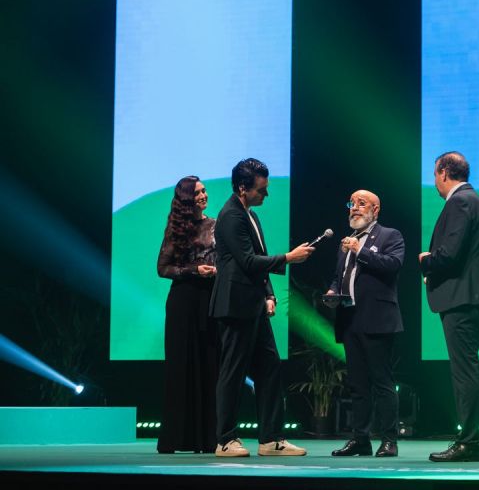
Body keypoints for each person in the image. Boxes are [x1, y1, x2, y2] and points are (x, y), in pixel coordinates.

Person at [210, 158, 314, 457]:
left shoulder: (250, 215)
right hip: (234, 305)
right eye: (261, 189)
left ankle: (271, 439)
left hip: (253, 303)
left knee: (269, 369)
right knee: (232, 373)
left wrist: (268, 293)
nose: (266, 194)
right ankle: (225, 439)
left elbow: (259, 260)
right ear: (242, 188)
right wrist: (289, 258)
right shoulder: (231, 215)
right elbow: (246, 261)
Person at [418, 152, 479, 462]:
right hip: (470, 298)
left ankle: (468, 443)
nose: (434, 181)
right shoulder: (475, 201)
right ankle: (468, 440)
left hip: (463, 299)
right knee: (466, 370)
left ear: (445, 172)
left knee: (464, 372)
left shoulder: (460, 202)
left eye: (435, 174)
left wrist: (426, 262)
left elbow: (450, 254)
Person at [326, 190, 405, 458]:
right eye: (351, 203)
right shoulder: (345, 242)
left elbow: (393, 265)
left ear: (376, 210)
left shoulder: (390, 236)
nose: (355, 208)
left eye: (362, 204)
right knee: (357, 384)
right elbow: (340, 276)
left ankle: (389, 440)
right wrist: (332, 291)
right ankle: (360, 439)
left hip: (377, 319)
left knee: (382, 382)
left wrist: (361, 251)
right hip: (350, 319)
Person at [156, 176, 218, 454]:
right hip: (183, 301)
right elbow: (162, 268)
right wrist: (194, 270)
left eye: (204, 190)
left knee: (209, 365)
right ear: (186, 199)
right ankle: (175, 438)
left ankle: (207, 438)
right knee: (180, 367)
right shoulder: (176, 229)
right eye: (197, 193)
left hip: (209, 300)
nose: (204, 195)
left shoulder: (215, 224)